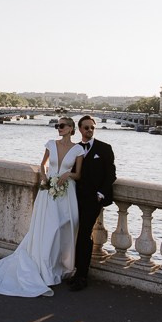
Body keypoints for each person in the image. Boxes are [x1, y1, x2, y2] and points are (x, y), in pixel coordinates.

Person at [0, 116, 83, 297]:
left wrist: (68, 175)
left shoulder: (78, 149)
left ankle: (57, 266)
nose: (58, 128)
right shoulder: (50, 143)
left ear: (71, 128)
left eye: (62, 126)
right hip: (48, 191)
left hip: (67, 192)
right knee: (47, 228)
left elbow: (78, 174)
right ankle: (44, 267)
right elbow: (43, 164)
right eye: (57, 125)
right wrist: (44, 178)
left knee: (63, 227)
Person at [68, 115, 116, 292]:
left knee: (84, 234)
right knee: (74, 234)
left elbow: (111, 175)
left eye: (92, 128)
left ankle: (82, 276)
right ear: (79, 129)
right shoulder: (75, 149)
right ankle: (75, 271)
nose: (89, 130)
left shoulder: (104, 148)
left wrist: (101, 193)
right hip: (75, 198)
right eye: (86, 127)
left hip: (93, 199)